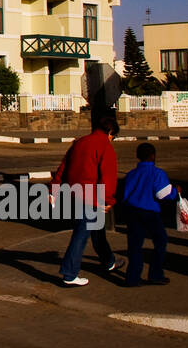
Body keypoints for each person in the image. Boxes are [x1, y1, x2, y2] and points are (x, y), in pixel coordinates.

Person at [52, 116, 122, 286]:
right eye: (114, 136)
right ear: (110, 132)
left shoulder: (80, 142)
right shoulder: (105, 147)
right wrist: (108, 200)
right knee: (81, 235)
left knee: (97, 231)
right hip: (91, 197)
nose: (112, 140)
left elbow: (63, 167)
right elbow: (109, 177)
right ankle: (69, 274)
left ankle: (109, 261)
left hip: (74, 193)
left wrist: (54, 189)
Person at [122, 143, 179, 286]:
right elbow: (162, 194)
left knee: (135, 245)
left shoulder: (131, 174)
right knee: (160, 241)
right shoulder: (157, 173)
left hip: (133, 211)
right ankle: (155, 274)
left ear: (138, 156)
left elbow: (124, 193)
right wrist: (175, 192)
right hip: (150, 212)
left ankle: (133, 277)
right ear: (153, 156)